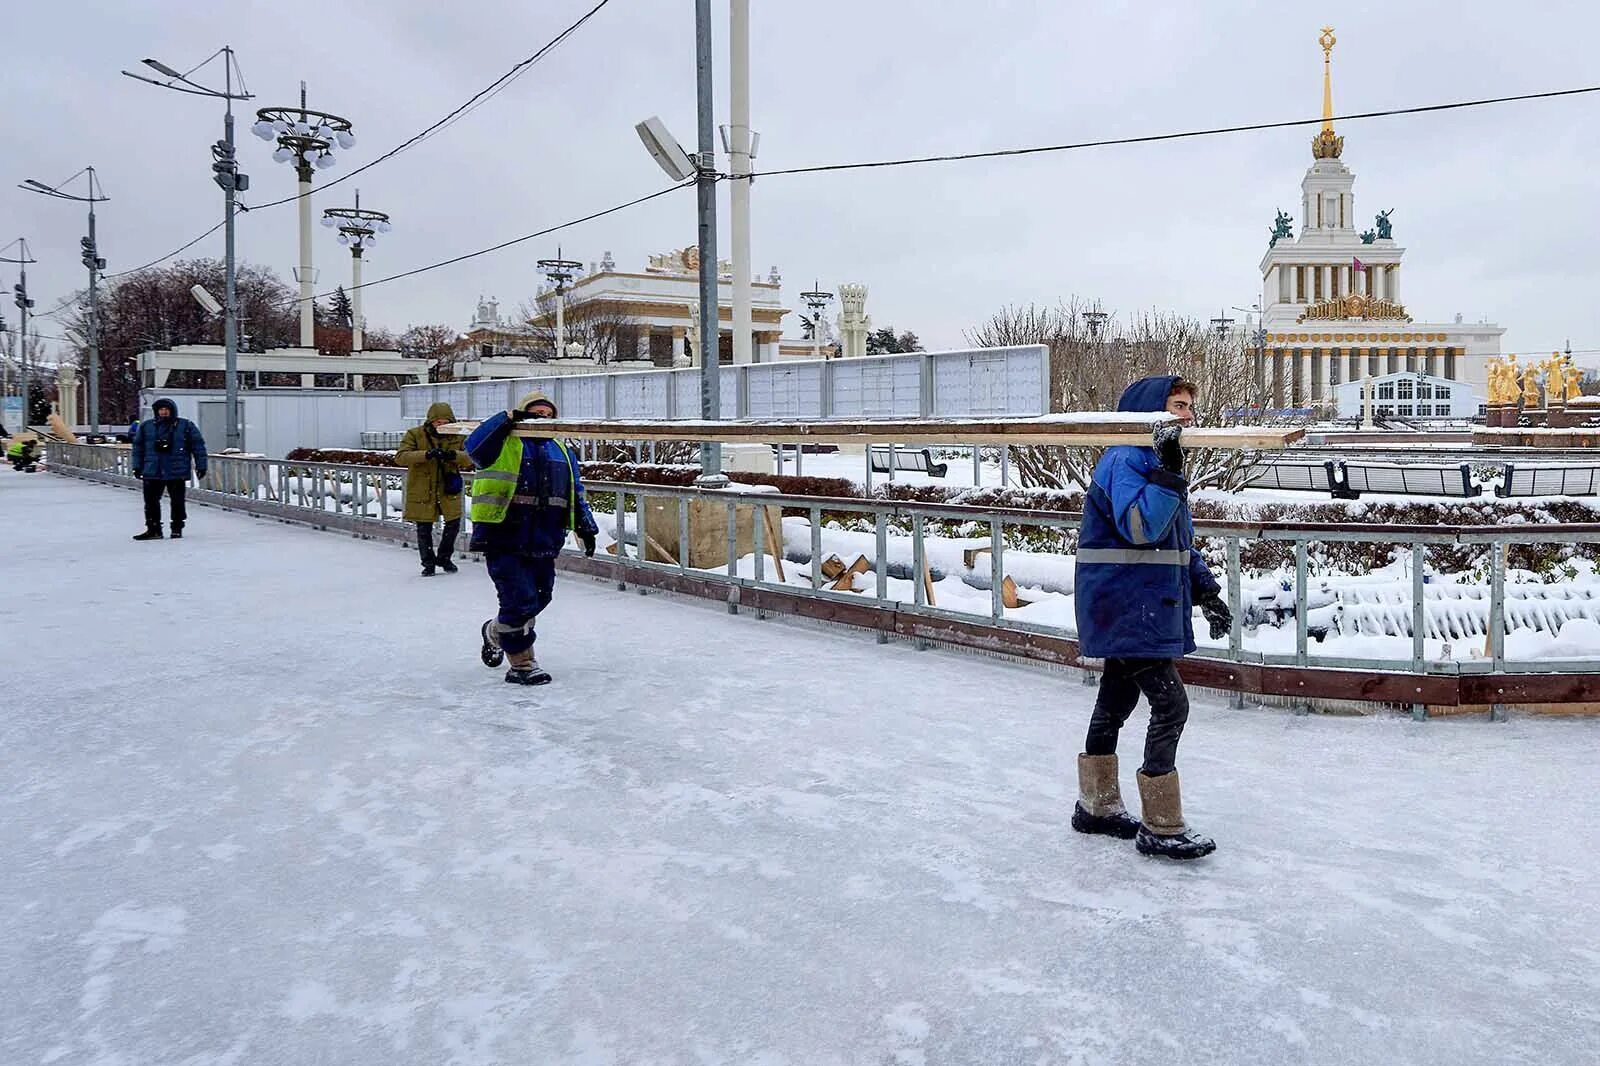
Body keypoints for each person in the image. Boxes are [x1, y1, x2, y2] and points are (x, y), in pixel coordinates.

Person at [1071, 375, 1231, 860]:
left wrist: (1205, 591)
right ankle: (1161, 824)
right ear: (1147, 412)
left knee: (1116, 703)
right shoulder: (1125, 459)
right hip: (1128, 605)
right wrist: (1169, 473)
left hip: (1141, 603)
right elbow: (1141, 528)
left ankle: (1096, 807)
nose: (1187, 416)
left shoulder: (1155, 463)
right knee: (1171, 705)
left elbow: (1177, 541)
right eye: (1178, 406)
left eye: (1189, 408)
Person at [465, 390, 599, 685]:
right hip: (504, 535)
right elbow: (473, 446)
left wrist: (586, 527)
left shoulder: (561, 451)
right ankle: (523, 664)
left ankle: (495, 632)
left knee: (541, 595)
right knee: (519, 599)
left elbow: (576, 492)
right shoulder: (503, 444)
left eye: (549, 416)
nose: (543, 420)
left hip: (544, 538)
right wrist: (506, 419)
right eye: (536, 414)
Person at [395, 401, 473, 577]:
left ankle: (444, 557)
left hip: (448, 487)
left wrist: (454, 455)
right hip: (423, 487)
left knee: (453, 523)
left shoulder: (458, 436)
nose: (442, 426)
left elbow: (470, 458)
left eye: (446, 422)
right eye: (438, 422)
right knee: (424, 527)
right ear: (430, 421)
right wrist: (426, 455)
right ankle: (428, 562)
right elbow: (401, 457)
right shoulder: (415, 434)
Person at [130, 397, 208, 541]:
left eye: (166, 410)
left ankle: (177, 528)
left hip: (176, 470)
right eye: (161, 410)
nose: (164, 412)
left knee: (177, 501)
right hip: (153, 470)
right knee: (151, 501)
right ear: (156, 411)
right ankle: (153, 529)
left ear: (172, 411)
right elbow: (138, 448)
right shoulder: (147, 427)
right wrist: (137, 466)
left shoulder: (185, 426)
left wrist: (201, 465)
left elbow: (198, 447)